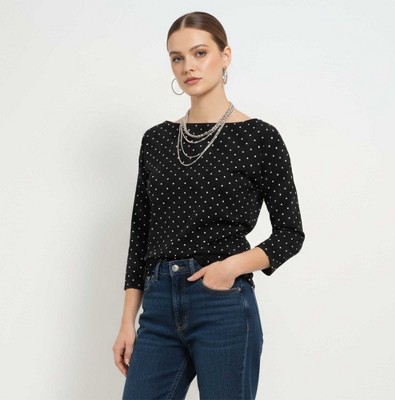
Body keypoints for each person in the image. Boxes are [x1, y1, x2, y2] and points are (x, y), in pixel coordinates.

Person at [113, 11, 305, 400]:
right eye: (177, 57)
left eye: (200, 53)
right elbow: (141, 235)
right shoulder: (156, 140)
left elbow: (290, 233)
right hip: (158, 305)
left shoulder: (259, 138)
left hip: (222, 304)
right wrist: (127, 322)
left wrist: (230, 268)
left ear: (225, 55)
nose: (188, 66)